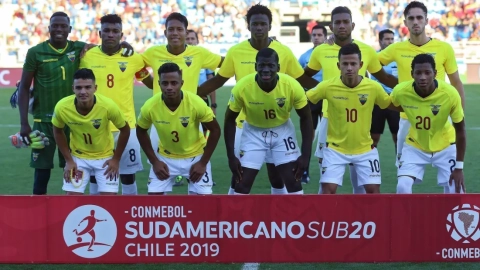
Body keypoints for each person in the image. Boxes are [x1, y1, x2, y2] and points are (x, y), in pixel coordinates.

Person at [197, 4, 318, 195]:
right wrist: (193, 93)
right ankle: (233, 213)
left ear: (270, 26)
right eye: (255, 24)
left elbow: (300, 78)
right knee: (238, 174)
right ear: (248, 26)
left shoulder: (283, 52)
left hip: (277, 121)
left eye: (263, 24)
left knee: (276, 173)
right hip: (243, 123)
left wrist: (327, 89)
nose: (259, 28)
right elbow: (220, 79)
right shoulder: (236, 51)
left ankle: (279, 216)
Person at [17, 11, 133, 195]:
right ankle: (38, 218)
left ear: (70, 29)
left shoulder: (78, 48)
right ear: (48, 28)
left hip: (73, 121)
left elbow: (104, 46)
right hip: (43, 121)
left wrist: (122, 45)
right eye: (55, 25)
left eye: (63, 26)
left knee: (75, 169)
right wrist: (24, 123)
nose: (59, 29)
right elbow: (23, 87)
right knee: (41, 172)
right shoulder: (35, 52)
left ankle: (88, 203)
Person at [304, 6, 398, 194]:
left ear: (352, 25)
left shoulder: (367, 51)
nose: (341, 26)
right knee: (327, 178)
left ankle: (361, 220)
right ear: (331, 26)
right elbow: (305, 76)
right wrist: (321, 88)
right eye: (337, 22)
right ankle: (324, 218)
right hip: (329, 119)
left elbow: (383, 77)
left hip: (359, 119)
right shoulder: (321, 50)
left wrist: (411, 87)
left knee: (361, 176)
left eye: (345, 22)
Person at [377, 1, 465, 167]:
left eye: (419, 18)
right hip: (407, 117)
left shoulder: (444, 48)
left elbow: (456, 82)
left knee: (450, 171)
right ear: (405, 22)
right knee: (403, 172)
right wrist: (387, 80)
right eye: (411, 18)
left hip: (439, 115)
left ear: (426, 20)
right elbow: (369, 62)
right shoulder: (396, 49)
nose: (415, 21)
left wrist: (460, 112)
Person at [79, 14, 153, 195]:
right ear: (100, 33)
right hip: (96, 126)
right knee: (97, 174)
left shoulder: (133, 58)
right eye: (107, 31)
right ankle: (98, 210)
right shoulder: (87, 56)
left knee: (128, 175)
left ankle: (129, 213)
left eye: (115, 31)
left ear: (121, 34)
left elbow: (151, 83)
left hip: (126, 126)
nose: (110, 34)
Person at [141, 12, 223, 172]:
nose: (175, 33)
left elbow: (226, 64)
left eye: (179, 29)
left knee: (197, 168)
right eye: (171, 29)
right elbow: (135, 65)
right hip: (160, 118)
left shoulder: (198, 53)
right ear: (165, 33)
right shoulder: (153, 53)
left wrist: (204, 89)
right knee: (159, 172)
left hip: (191, 116)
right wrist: (150, 83)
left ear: (186, 32)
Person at [225, 48, 313, 195]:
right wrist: (231, 157)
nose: (266, 70)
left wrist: (305, 155)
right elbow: (229, 120)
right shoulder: (242, 87)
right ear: (255, 67)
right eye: (262, 66)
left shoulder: (292, 86)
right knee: (241, 183)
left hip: (282, 131)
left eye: (271, 66)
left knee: (294, 182)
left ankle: (292, 217)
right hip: (253, 132)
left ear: (278, 67)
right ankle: (235, 218)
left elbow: (306, 118)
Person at [136, 63, 221, 195]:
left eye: (174, 83)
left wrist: (203, 162)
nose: (169, 87)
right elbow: (140, 130)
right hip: (165, 158)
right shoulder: (150, 106)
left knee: (203, 206)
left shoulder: (196, 103)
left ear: (181, 83)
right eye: (165, 83)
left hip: (196, 158)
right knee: (153, 204)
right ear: (159, 83)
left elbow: (215, 130)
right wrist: (155, 161)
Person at [391, 54, 466, 194]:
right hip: (415, 146)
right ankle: (408, 217)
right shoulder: (400, 91)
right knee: (402, 187)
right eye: (418, 73)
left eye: (427, 72)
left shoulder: (450, 94)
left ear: (435, 74)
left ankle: (447, 216)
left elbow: (461, 131)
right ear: (412, 74)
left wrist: (459, 167)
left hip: (445, 146)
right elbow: (389, 104)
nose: (423, 77)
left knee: (456, 190)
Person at [52, 68, 130, 195]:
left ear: (95, 88)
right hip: (78, 158)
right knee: (71, 200)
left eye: (88, 87)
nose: (83, 92)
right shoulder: (62, 107)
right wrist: (69, 160)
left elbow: (125, 130)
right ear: (73, 88)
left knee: (109, 201)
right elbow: (57, 131)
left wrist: (116, 159)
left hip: (105, 157)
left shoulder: (108, 106)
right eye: (79, 88)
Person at [298, 24, 327, 184]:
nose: (316, 37)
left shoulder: (330, 54)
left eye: (319, 35)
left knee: (329, 135)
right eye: (314, 35)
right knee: (309, 135)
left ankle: (328, 170)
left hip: (328, 99)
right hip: (311, 99)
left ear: (324, 36)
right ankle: (304, 172)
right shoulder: (304, 57)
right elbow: (297, 75)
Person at [370, 29, 399, 152]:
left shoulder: (398, 58)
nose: (390, 42)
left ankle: (401, 164)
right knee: (374, 137)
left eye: (392, 39)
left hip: (395, 100)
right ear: (380, 41)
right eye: (387, 39)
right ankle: (370, 161)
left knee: (398, 136)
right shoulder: (374, 57)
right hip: (377, 101)